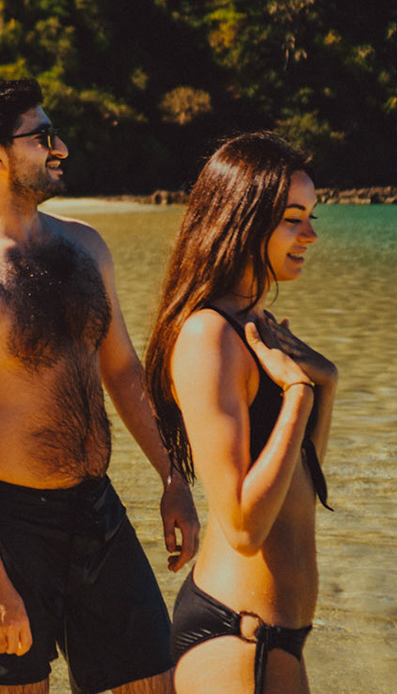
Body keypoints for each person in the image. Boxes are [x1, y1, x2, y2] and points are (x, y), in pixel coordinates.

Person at [0, 77, 201, 694]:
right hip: (9, 531)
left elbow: (123, 372)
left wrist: (172, 477)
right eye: (42, 137)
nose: (61, 147)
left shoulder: (85, 247)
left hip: (97, 512)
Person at [141, 133, 338, 694]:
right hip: (239, 640)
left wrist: (326, 385)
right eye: (292, 219)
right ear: (244, 221)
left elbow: (299, 483)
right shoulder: (210, 335)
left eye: (312, 216)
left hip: (272, 639)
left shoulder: (255, 324)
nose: (311, 234)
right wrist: (298, 394)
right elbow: (245, 525)